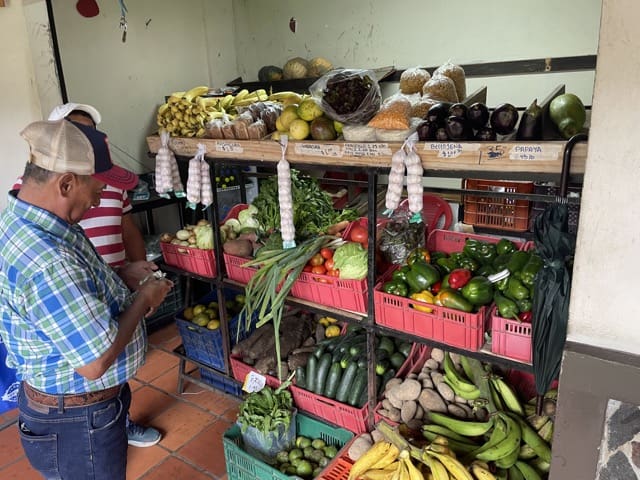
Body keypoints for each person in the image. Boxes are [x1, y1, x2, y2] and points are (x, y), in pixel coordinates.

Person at [0, 119, 173, 479]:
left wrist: (120, 277)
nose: (99, 198)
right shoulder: (49, 260)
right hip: (77, 422)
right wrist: (144, 299)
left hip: (77, 408)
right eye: (98, 188)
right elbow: (94, 362)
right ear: (66, 183)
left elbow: (66, 297)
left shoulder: (28, 220)